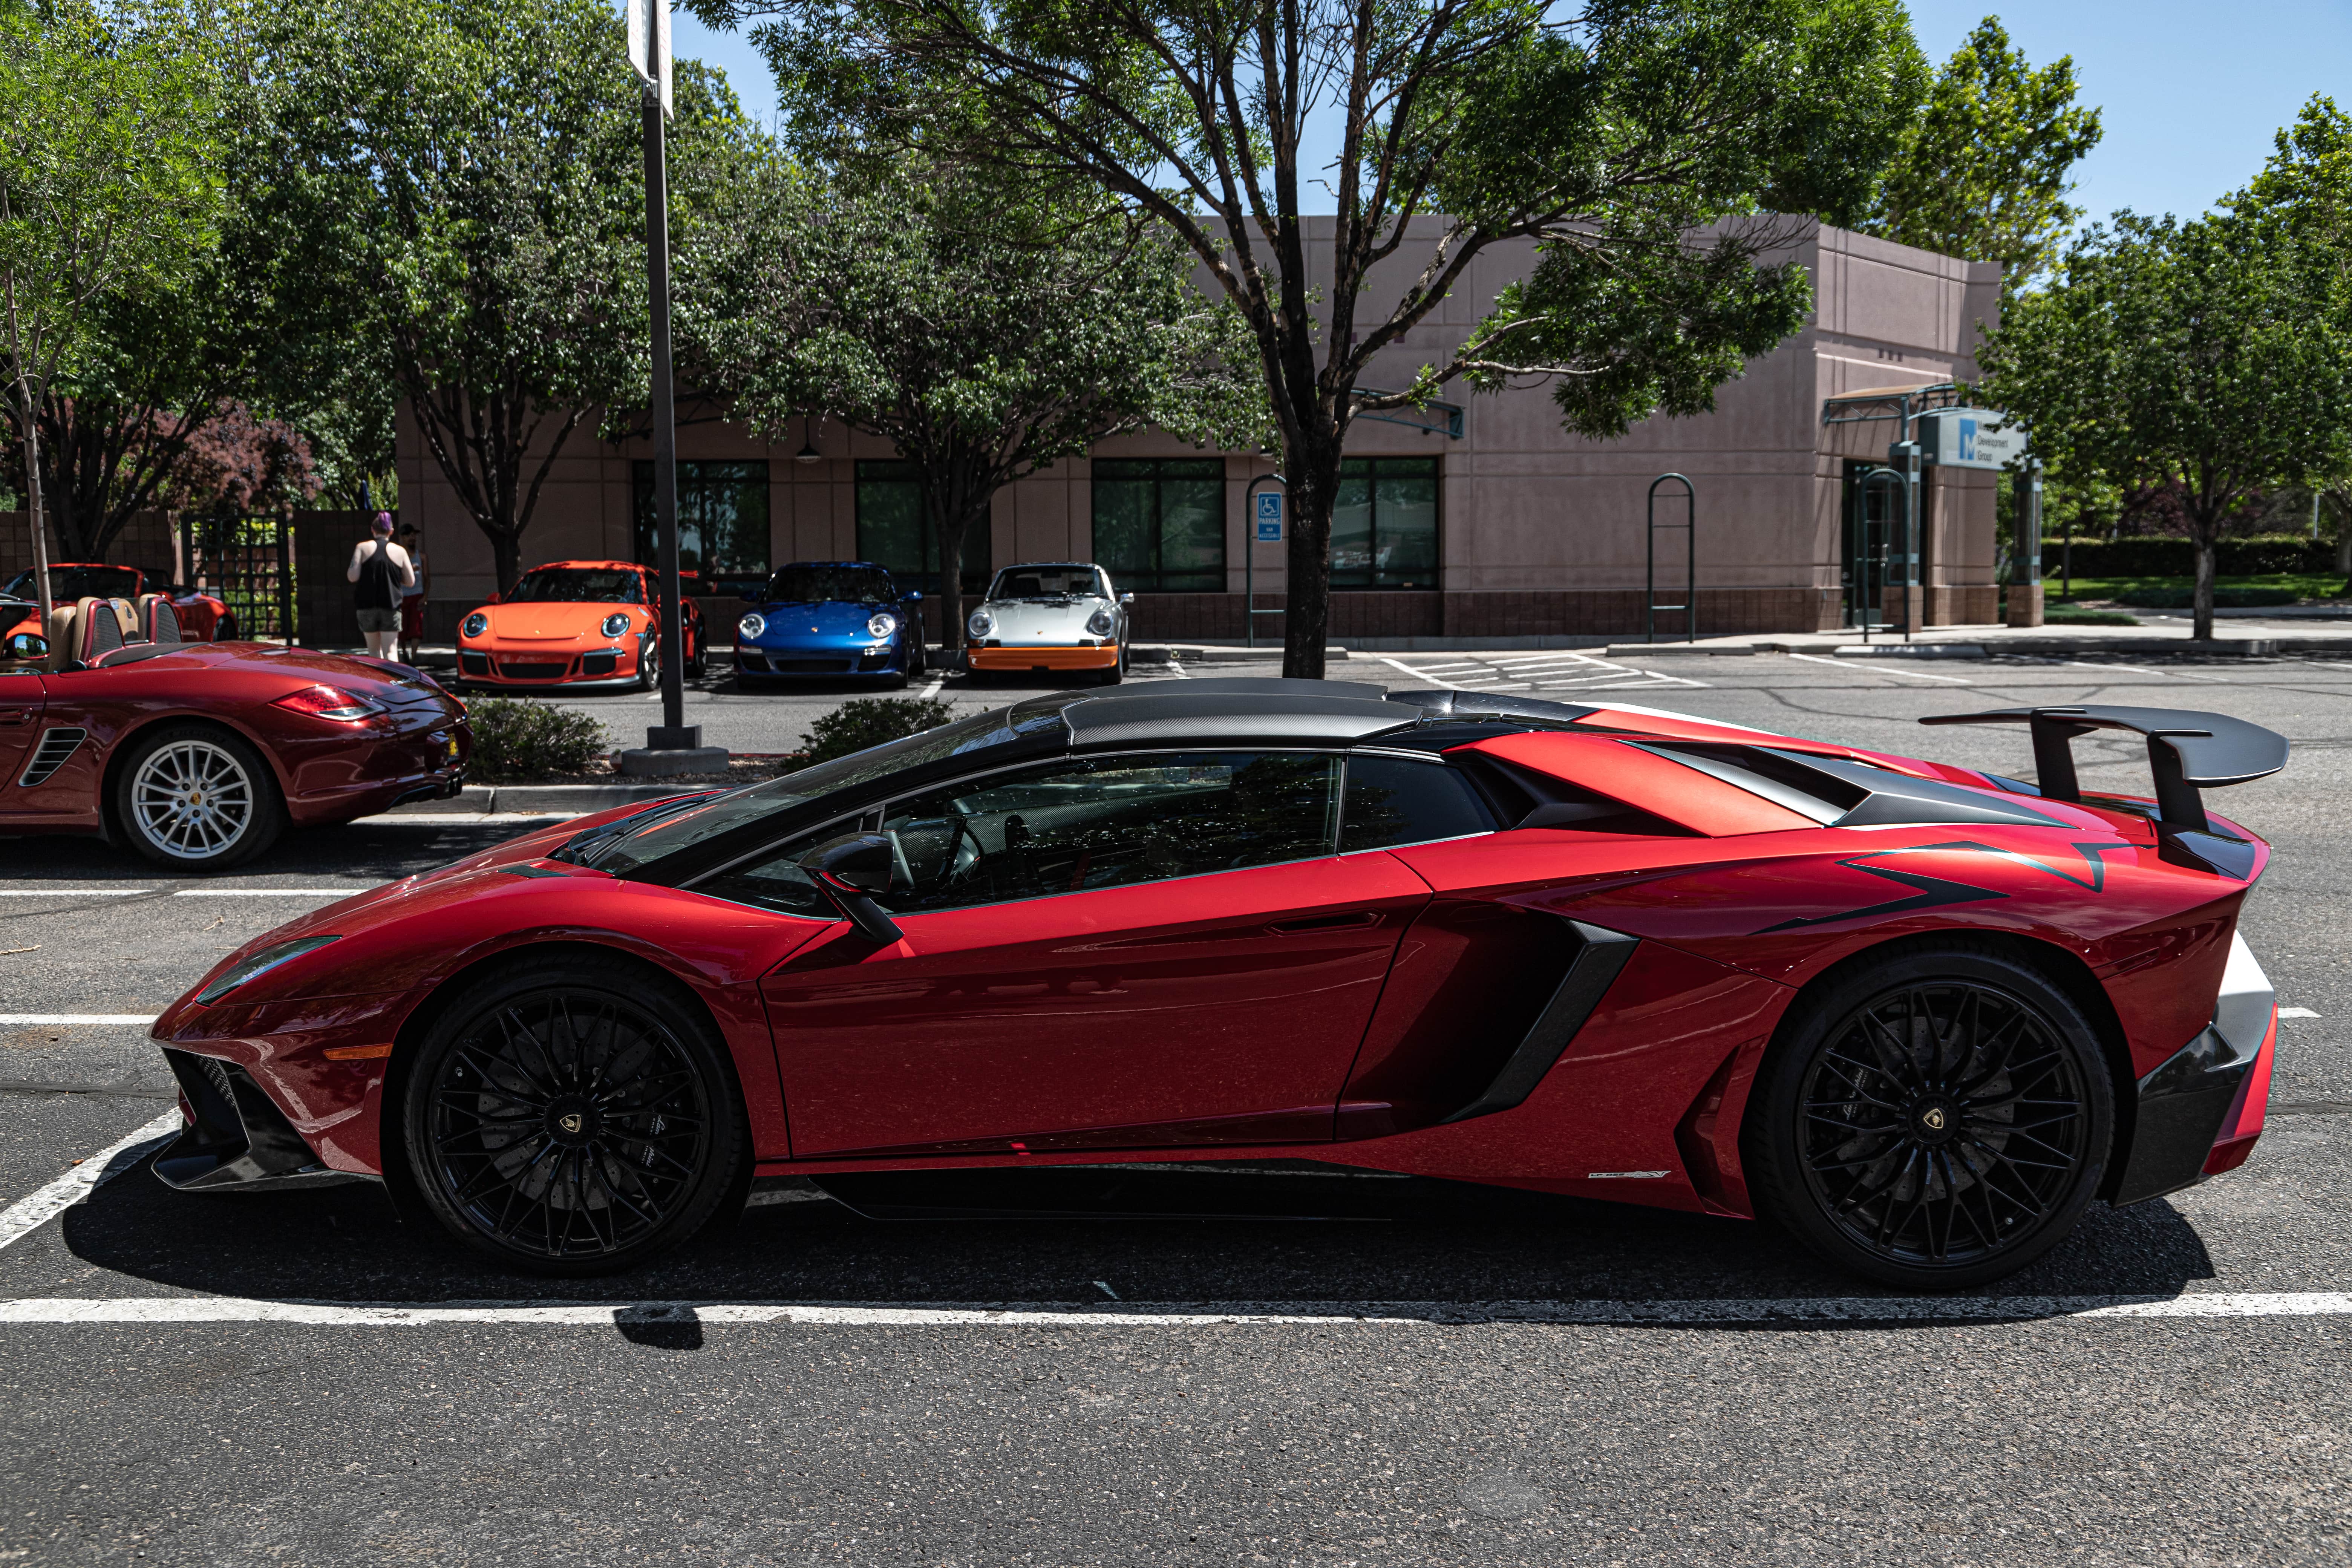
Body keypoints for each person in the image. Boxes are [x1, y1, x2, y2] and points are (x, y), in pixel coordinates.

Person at [346, 513, 414, 658]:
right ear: (391, 531)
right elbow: (410, 581)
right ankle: (392, 681)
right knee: (391, 651)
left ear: (373, 529)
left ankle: (376, 681)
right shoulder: (400, 551)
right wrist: (394, 575)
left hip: (367, 606)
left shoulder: (362, 548)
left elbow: (353, 577)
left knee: (374, 651)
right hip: (391, 605)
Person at [395, 523, 429, 665]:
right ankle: (404, 654)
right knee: (402, 628)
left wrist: (425, 597)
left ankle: (413, 658)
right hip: (402, 597)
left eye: (414, 535)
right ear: (402, 538)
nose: (412, 538)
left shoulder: (422, 557)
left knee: (416, 629)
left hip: (417, 596)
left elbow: (427, 578)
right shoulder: (398, 556)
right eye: (409, 535)